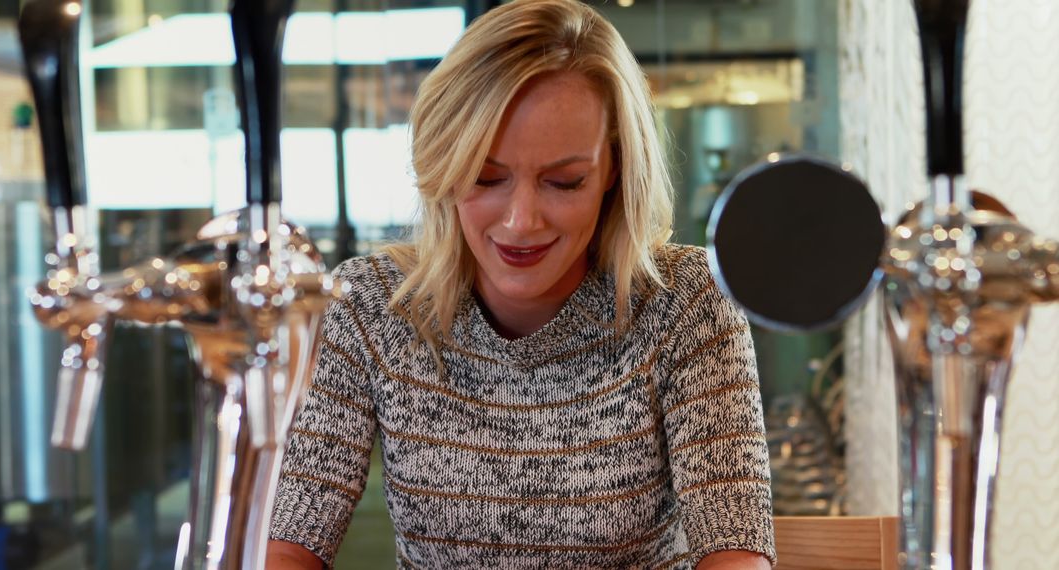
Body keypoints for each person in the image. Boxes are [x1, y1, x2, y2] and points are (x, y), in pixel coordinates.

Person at [266, 0, 775, 568]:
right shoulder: (370, 305)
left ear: (613, 170)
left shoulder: (686, 301)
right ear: (443, 166)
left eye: (563, 181)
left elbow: (736, 551)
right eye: (486, 178)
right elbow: (288, 542)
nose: (520, 221)